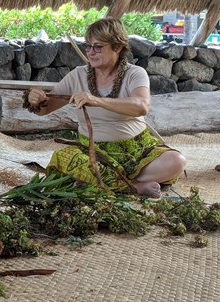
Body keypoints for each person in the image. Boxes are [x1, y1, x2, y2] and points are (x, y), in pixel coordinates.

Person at [25, 18, 186, 199]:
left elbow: (142, 106)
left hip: (136, 151)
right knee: (64, 158)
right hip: (93, 152)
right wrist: (35, 100)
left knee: (176, 161)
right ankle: (134, 186)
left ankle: (103, 181)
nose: (91, 52)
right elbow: (44, 109)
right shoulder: (78, 75)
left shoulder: (134, 73)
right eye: (88, 46)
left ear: (117, 47)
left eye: (98, 47)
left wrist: (96, 100)